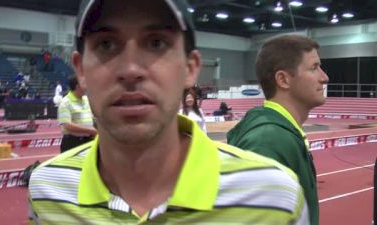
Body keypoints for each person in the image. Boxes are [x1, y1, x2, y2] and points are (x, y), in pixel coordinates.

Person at [28, 1, 309, 224]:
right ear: (80, 69)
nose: (130, 70)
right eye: (106, 44)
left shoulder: (274, 197)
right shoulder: (47, 189)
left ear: (190, 68)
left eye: (156, 43)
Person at [227, 34, 329, 225]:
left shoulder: (280, 133)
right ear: (283, 80)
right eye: (314, 68)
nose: (325, 77)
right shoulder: (267, 141)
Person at [57, 76, 96, 153]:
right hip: (73, 143)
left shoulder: (86, 99)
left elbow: (92, 118)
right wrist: (91, 130)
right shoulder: (66, 102)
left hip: (88, 140)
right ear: (78, 86)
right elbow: (67, 126)